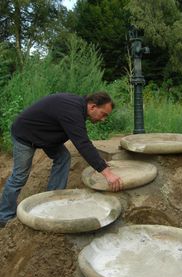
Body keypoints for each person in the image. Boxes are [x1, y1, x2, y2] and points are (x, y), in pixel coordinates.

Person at [0, 92, 123, 228]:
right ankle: (5, 216)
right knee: (19, 177)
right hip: (25, 135)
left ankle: (53, 200)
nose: (103, 119)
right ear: (93, 107)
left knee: (62, 157)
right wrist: (106, 172)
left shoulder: (77, 108)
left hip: (45, 135)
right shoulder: (72, 111)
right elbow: (82, 143)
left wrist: (100, 163)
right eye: (104, 114)